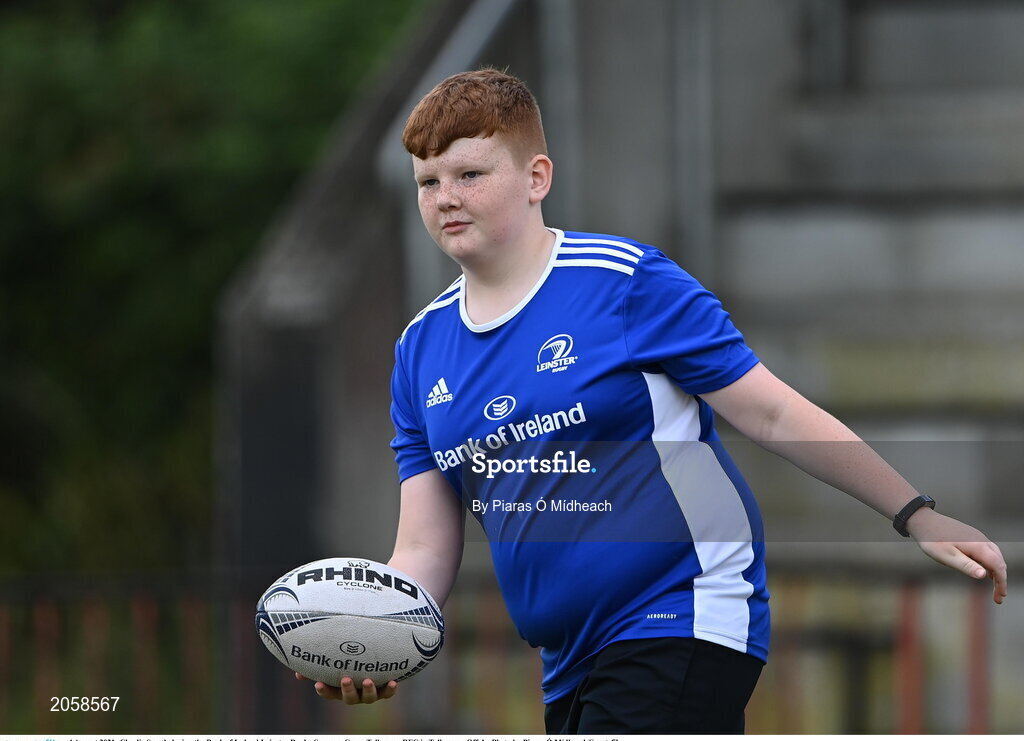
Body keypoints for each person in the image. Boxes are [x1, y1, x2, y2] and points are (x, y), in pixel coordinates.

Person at [297, 68, 1008, 733]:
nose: (446, 196)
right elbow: (424, 543)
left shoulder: (626, 282)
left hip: (683, 611)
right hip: (568, 659)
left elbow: (772, 411)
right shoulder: (419, 352)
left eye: (470, 174)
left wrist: (915, 513)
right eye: (428, 181)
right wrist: (382, 634)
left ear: (536, 177)